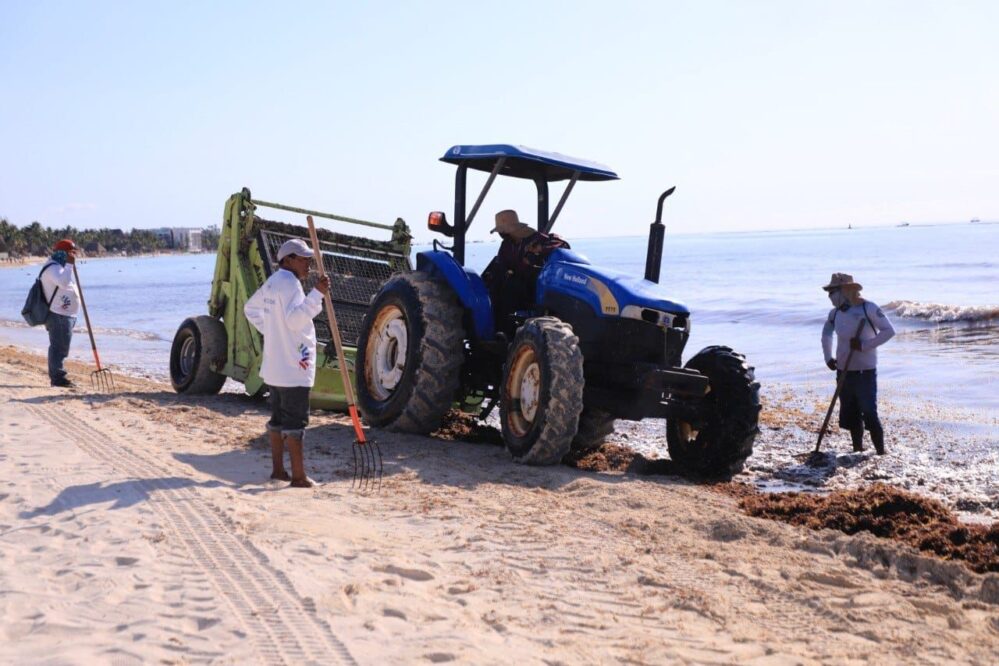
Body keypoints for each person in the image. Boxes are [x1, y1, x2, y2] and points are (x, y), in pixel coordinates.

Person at [244, 238, 330, 488]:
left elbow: (251, 309)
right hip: (293, 368)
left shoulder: (273, 283)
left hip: (275, 367)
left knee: (278, 420)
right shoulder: (290, 284)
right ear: (288, 259)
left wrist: (272, 330)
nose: (309, 265)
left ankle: (279, 471)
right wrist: (317, 294)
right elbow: (294, 321)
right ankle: (299, 477)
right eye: (304, 260)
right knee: (295, 423)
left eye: (309, 260)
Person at [821, 273, 895, 454]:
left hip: (865, 372)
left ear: (845, 291)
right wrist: (828, 357)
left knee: (869, 412)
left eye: (832, 292)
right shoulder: (835, 313)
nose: (830, 296)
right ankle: (857, 450)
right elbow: (826, 334)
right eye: (829, 292)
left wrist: (864, 346)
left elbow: (889, 331)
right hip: (843, 371)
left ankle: (881, 453)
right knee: (851, 413)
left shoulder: (868, 308)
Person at [484, 209, 570, 328]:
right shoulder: (506, 245)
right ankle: (497, 330)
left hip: (532, 282)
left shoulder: (535, 239)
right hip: (514, 282)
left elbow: (561, 244)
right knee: (494, 290)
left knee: (509, 291)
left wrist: (539, 249)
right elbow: (502, 264)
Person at [39, 239, 81, 387]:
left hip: (64, 314)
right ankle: (57, 378)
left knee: (61, 345)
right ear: (63, 253)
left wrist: (68, 265)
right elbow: (63, 283)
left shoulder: (60, 267)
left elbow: (66, 284)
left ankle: (57, 376)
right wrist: (69, 264)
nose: (73, 256)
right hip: (58, 314)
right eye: (71, 253)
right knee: (59, 347)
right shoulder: (52, 268)